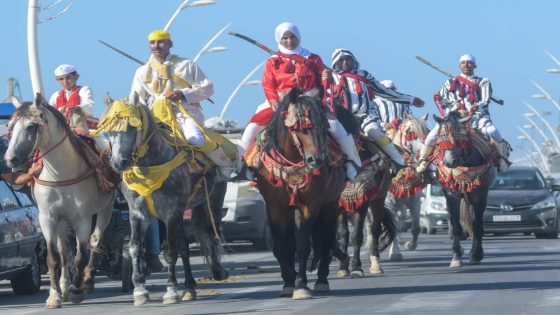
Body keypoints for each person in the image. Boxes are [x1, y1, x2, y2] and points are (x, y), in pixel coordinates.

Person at [240, 22, 361, 179]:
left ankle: (351, 161)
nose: (289, 41)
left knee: (335, 127)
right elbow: (268, 84)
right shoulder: (272, 61)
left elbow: (325, 81)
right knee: (251, 129)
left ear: (298, 37)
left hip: (311, 101)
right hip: (281, 101)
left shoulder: (312, 58)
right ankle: (244, 166)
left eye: (292, 37)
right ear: (279, 39)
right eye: (285, 38)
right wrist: (273, 100)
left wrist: (326, 78)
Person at [129, 29, 234, 176]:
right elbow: (137, 98)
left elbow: (208, 88)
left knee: (195, 138)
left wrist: (183, 94)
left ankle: (226, 166)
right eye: (152, 43)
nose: (156, 46)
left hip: (184, 113)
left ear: (170, 44)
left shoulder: (186, 65)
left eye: (160, 42)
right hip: (155, 116)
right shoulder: (141, 72)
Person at [327, 48, 425, 170]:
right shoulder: (331, 77)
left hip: (365, 116)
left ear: (353, 60)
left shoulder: (364, 75)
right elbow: (326, 97)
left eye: (348, 59)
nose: (345, 63)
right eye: (341, 60)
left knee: (376, 133)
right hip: (343, 119)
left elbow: (384, 91)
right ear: (336, 63)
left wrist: (410, 100)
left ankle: (398, 160)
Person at [416, 54, 510, 173]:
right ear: (459, 65)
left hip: (475, 116)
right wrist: (440, 99)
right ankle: (423, 160)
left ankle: (502, 158)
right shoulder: (449, 82)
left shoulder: (483, 81)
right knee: (432, 135)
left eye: (469, 63)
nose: (466, 65)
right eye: (463, 63)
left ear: (474, 65)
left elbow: (485, 100)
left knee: (492, 131)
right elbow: (444, 100)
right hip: (453, 118)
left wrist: (476, 106)